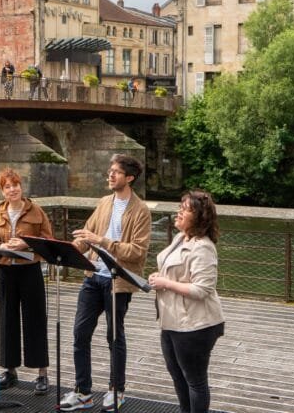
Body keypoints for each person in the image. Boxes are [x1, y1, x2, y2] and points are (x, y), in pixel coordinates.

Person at [60, 154, 151, 412]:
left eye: (116, 172)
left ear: (129, 178)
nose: (110, 175)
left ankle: (116, 390)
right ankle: (83, 392)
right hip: (93, 277)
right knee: (80, 333)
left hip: (117, 280)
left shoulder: (141, 210)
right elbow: (86, 236)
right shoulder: (103, 202)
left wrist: (102, 241)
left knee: (114, 336)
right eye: (110, 171)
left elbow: (137, 252)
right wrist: (69, 249)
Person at [148, 190, 225, 413]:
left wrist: (166, 283)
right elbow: (176, 272)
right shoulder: (180, 237)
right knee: (178, 376)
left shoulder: (203, 247)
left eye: (186, 210)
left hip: (195, 325)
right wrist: (160, 276)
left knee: (195, 381)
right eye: (180, 208)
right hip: (171, 321)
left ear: (199, 217)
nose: (179, 213)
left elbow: (202, 289)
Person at [0, 168, 52, 396]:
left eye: (15, 185)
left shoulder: (36, 211)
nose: (12, 190)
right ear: (2, 191)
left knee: (35, 320)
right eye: (7, 186)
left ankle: (42, 373)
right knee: (6, 320)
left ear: (21, 187)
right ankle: (9, 370)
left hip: (30, 270)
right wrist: (0, 246)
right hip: (6, 271)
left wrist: (26, 243)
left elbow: (48, 240)